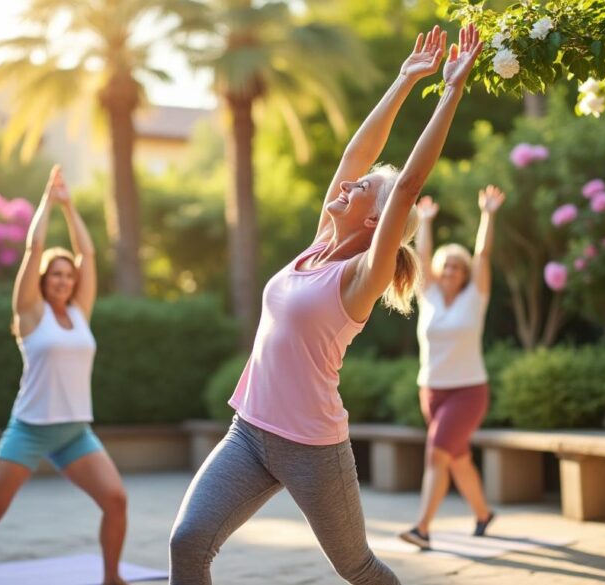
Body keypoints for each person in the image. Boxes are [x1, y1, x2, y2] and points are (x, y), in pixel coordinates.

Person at [169, 25, 484, 585]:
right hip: (249, 431)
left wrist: (452, 90)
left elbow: (407, 185)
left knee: (358, 568)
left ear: (373, 222)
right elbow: (356, 152)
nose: (350, 182)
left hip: (312, 447)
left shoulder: (361, 276)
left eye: (364, 187)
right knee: (188, 541)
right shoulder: (319, 244)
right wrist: (405, 80)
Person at [0, 166, 128, 585]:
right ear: (44, 279)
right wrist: (48, 200)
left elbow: (89, 255)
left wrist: (70, 205)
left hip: (75, 431)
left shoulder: (80, 313)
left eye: (68, 274)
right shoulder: (29, 315)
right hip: (30, 429)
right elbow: (33, 248)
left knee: (115, 499)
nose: (63, 279)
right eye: (55, 273)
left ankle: (112, 577)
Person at [398, 187, 505, 550]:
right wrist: (425, 220)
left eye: (460, 267)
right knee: (457, 460)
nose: (452, 271)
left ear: (466, 274)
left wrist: (488, 214)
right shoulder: (426, 297)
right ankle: (484, 514)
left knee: (437, 453)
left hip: (468, 391)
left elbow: (484, 253)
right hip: (431, 390)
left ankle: (422, 528)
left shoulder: (475, 299)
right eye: (447, 265)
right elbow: (423, 253)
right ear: (437, 270)